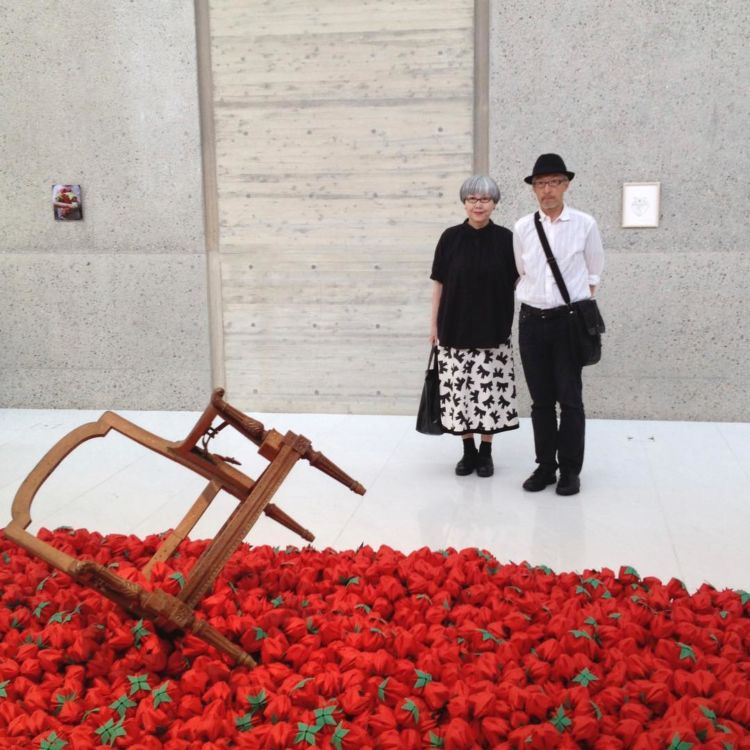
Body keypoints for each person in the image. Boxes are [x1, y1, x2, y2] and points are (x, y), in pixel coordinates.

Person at [513, 153, 604, 496]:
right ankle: (545, 466)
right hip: (532, 322)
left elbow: (594, 270)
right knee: (540, 401)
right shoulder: (523, 227)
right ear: (533, 189)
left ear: (566, 185)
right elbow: (522, 271)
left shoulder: (585, 224)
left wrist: (573, 302)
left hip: (568, 322)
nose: (547, 189)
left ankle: (569, 470)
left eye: (554, 182)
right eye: (540, 183)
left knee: (570, 400)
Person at [429, 175, 519, 477]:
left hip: (493, 330)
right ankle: (467, 451)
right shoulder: (450, 237)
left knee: (490, 392)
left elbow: (520, 280)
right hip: (453, 327)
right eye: (472, 199)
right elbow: (439, 284)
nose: (478, 205)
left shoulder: (507, 239)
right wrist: (433, 325)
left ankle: (486, 452)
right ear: (464, 203)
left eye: (484, 199)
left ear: (494, 203)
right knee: (460, 393)